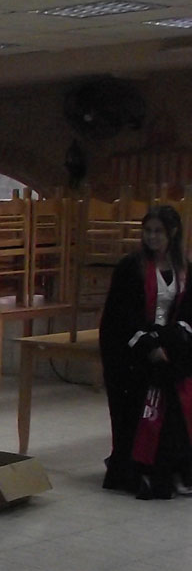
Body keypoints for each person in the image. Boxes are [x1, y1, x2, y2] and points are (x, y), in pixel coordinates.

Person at [99, 205, 192, 498]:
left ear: (172, 233)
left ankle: (174, 468)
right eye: (147, 231)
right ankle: (137, 469)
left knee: (179, 399)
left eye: (158, 232)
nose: (152, 237)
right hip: (134, 348)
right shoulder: (131, 267)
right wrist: (149, 345)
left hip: (170, 342)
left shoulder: (184, 267)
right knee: (142, 402)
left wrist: (174, 339)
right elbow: (121, 316)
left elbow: (187, 311)